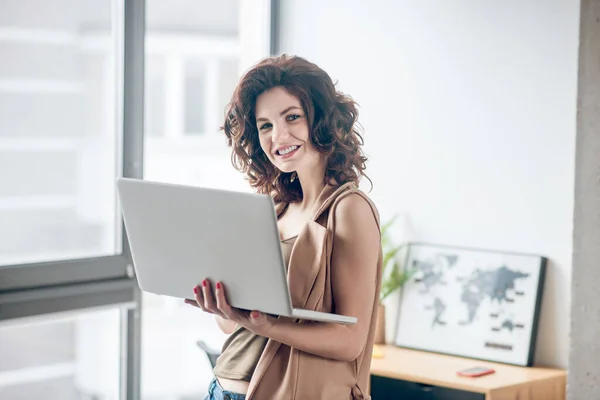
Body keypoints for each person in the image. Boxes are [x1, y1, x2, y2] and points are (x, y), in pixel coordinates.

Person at [184, 54, 383, 400]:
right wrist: (223, 309)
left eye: (292, 117)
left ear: (321, 120)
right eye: (265, 125)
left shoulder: (348, 209)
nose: (279, 136)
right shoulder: (274, 209)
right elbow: (240, 328)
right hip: (223, 390)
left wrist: (270, 325)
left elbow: (350, 341)